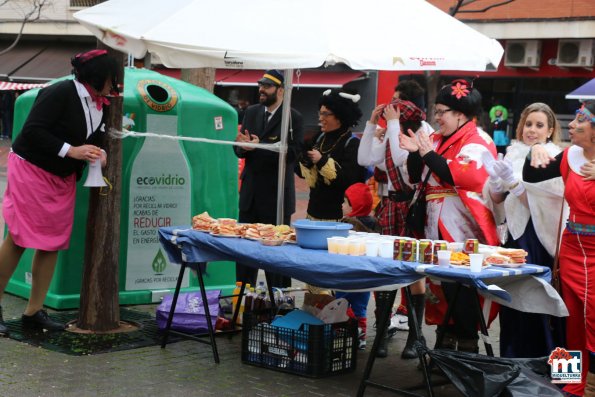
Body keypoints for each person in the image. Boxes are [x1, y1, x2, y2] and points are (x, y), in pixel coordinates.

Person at [0, 49, 119, 335]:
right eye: (112, 77)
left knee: (51, 242)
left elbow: (95, 136)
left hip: (61, 177)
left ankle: (33, 312)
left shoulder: (102, 103)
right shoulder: (60, 92)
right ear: (96, 76)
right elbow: (32, 132)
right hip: (32, 170)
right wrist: (72, 150)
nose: (115, 84)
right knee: (18, 238)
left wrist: (98, 152)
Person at [400, 79, 499, 353]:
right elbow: (417, 175)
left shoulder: (478, 140)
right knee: (440, 286)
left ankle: (466, 351)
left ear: (461, 113)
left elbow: (461, 174)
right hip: (435, 222)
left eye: (442, 111)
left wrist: (426, 153)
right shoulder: (435, 139)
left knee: (463, 288)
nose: (437, 117)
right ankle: (443, 349)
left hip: (462, 225)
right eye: (436, 111)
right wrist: (414, 154)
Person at [523, 101, 595, 397]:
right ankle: (571, 382)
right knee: (570, 318)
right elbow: (532, 177)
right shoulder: (569, 156)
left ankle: (591, 382)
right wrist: (534, 152)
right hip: (570, 249)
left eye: (581, 121)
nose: (573, 125)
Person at [484, 102, 565, 358]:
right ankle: (514, 367)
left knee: (542, 306)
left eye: (539, 125)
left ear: (550, 130)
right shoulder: (512, 153)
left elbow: (543, 206)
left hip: (540, 241)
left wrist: (514, 184)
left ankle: (559, 375)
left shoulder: (555, 158)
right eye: (528, 124)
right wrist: (497, 180)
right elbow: (497, 200)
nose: (532, 130)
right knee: (514, 305)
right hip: (513, 238)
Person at [358, 80, 433, 345]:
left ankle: (415, 335)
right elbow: (365, 159)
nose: (391, 107)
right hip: (390, 205)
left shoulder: (424, 130)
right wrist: (371, 124)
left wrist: (390, 126)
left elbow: (403, 159)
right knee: (385, 266)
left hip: (414, 206)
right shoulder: (391, 129)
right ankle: (380, 331)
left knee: (414, 269)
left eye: (397, 102)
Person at [233, 70, 304, 288]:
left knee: (275, 255)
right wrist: (243, 147)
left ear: (281, 90)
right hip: (250, 195)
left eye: (267, 86)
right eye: (260, 85)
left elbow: (294, 154)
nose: (261, 90)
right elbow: (240, 149)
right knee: (245, 251)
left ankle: (279, 300)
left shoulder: (293, 117)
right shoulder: (252, 112)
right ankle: (242, 299)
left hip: (277, 196)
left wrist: (259, 147)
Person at [297, 89, 366, 221]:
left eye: (325, 114)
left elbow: (349, 181)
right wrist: (304, 160)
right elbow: (303, 174)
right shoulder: (319, 137)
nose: (320, 118)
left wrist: (322, 161)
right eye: (320, 113)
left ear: (340, 116)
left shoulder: (352, 143)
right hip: (313, 214)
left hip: (337, 218)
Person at [337, 182, 380, 350]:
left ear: (354, 206)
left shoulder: (348, 224)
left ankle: (345, 334)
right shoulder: (374, 224)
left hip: (346, 275)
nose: (341, 205)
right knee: (360, 307)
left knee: (342, 303)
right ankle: (360, 337)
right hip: (365, 277)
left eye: (345, 202)